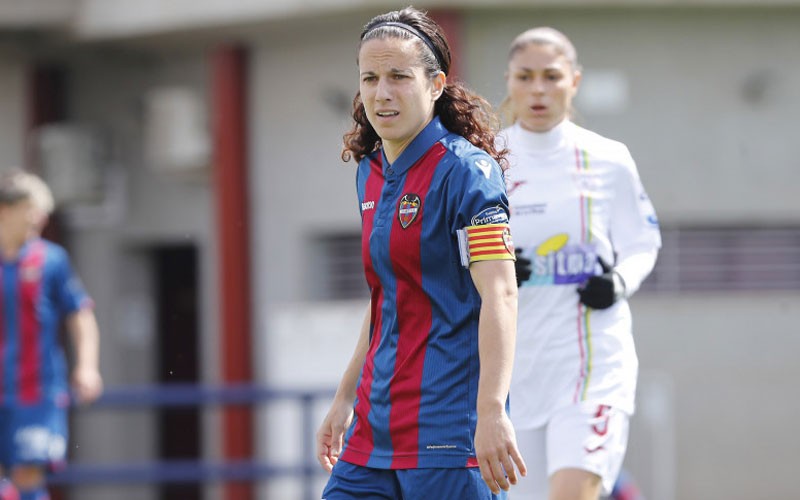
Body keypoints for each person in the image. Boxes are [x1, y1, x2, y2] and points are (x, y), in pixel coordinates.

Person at [315, 6, 526, 499]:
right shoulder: (369, 171)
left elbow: (501, 297)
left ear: (435, 84)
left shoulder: (467, 173)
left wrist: (493, 411)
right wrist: (344, 398)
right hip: (373, 430)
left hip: (447, 433)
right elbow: (385, 298)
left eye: (398, 77)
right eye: (369, 77)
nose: (381, 92)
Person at [498, 27, 661, 499]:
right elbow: (456, 249)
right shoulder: (486, 160)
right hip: (516, 377)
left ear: (574, 80)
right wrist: (495, 267)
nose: (538, 90)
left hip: (592, 370)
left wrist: (618, 282)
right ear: (509, 80)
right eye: (525, 77)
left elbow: (642, 242)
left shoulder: (609, 158)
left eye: (551, 76)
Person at [0, 169, 103, 500]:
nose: (40, 218)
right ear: (5, 210)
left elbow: (80, 315)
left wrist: (87, 366)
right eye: (31, 208)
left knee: (28, 474)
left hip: (37, 391)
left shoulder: (52, 260)